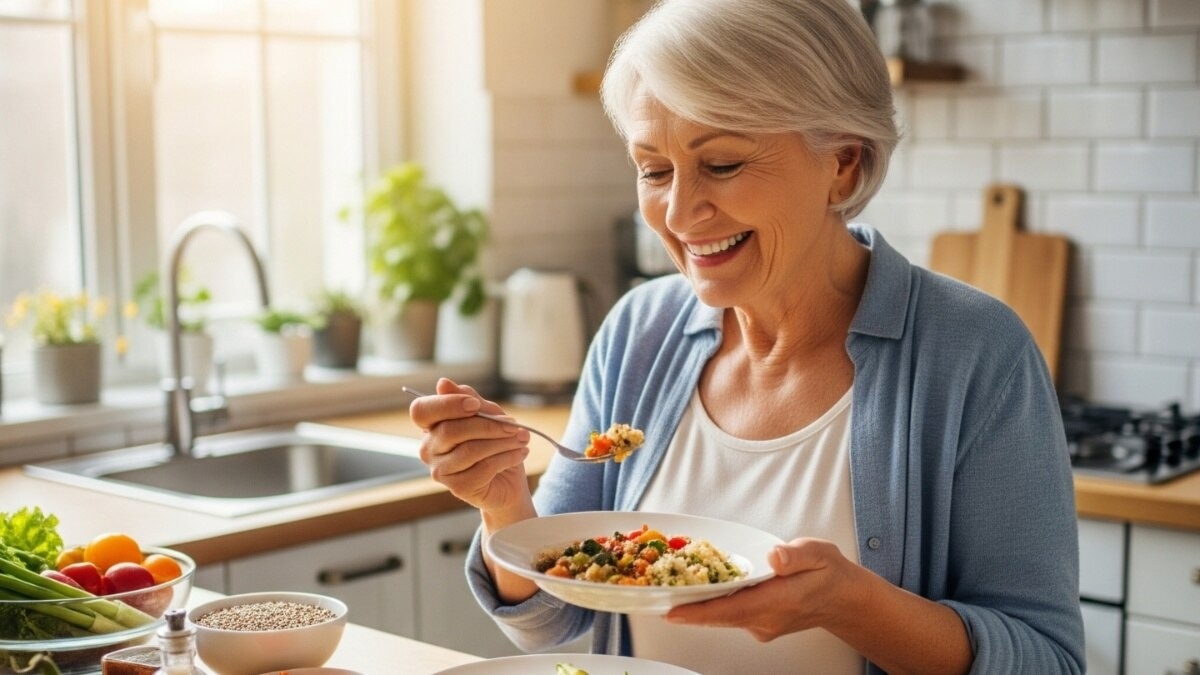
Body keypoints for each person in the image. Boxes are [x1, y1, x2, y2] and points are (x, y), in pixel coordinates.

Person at [408, 0, 1085, 672]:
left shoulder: (977, 354)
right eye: (654, 169)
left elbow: (1047, 661)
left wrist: (853, 603)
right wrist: (504, 503)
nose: (678, 213)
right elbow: (552, 616)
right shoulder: (638, 333)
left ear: (843, 163)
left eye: (723, 164)